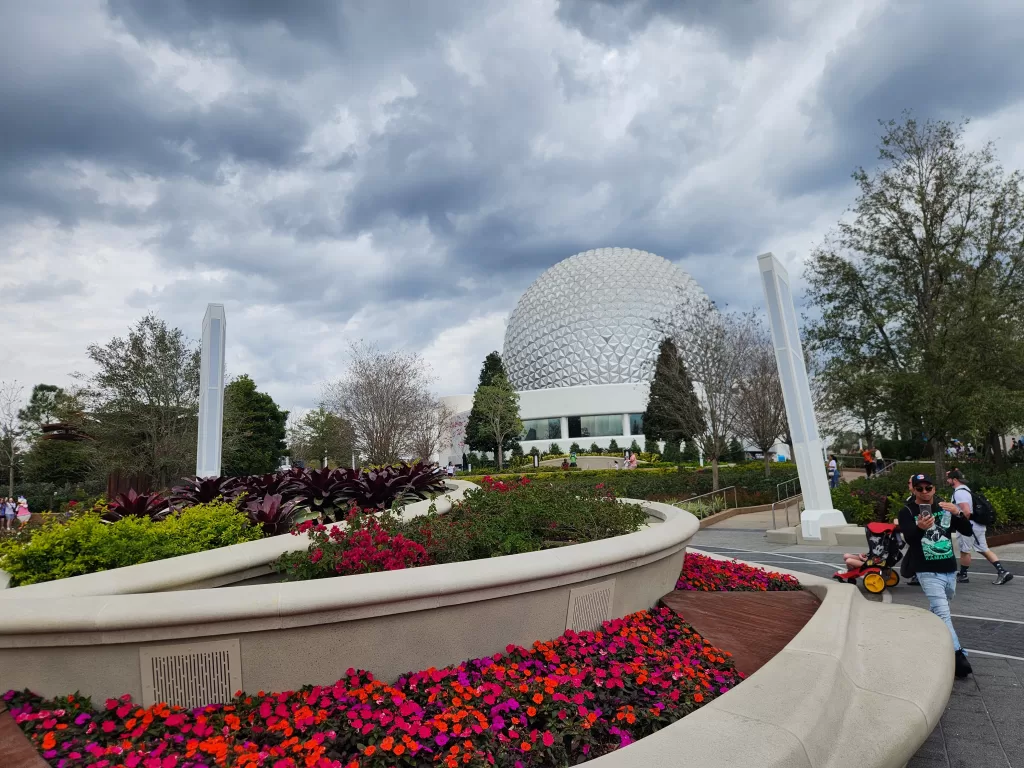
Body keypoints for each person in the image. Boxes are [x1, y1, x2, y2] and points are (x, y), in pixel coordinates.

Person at [897, 473, 974, 678]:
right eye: (919, 488)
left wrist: (958, 513)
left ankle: (923, 637)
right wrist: (919, 528)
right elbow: (910, 540)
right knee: (943, 613)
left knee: (939, 609)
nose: (924, 492)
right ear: (912, 489)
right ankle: (958, 657)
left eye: (928, 488)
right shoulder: (907, 511)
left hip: (949, 567)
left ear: (934, 488)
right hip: (926, 570)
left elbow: (967, 531)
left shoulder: (944, 506)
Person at [948, 470, 1013, 586]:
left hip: (969, 526)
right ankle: (1002, 571)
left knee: (965, 550)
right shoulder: (966, 489)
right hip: (977, 525)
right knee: (984, 549)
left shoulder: (959, 493)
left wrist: (960, 522)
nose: (947, 481)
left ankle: (963, 575)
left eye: (948, 478)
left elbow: (966, 512)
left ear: (954, 480)